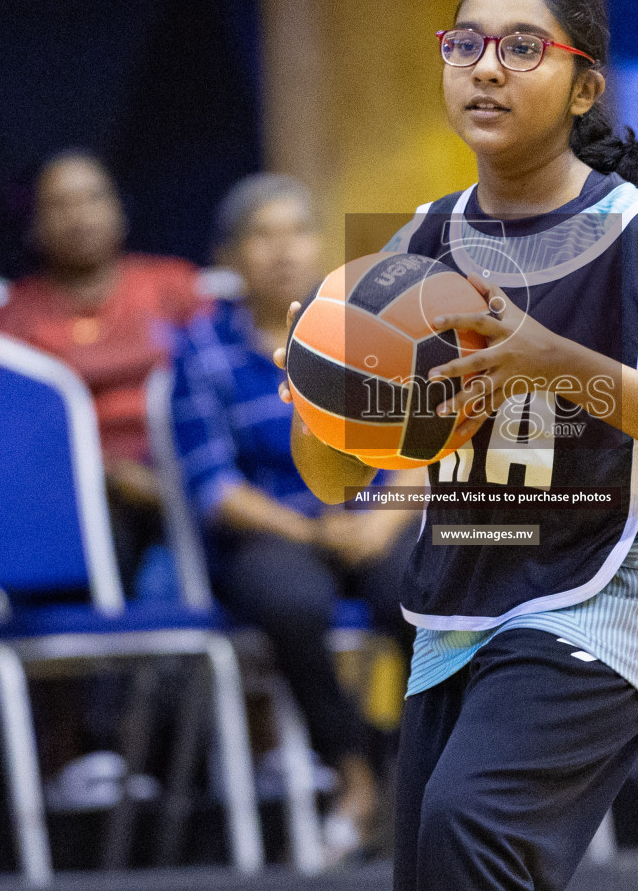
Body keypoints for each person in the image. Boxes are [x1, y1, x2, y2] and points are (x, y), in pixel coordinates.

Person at [275, 0, 638, 891]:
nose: (486, 67)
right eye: (465, 44)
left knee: (473, 828)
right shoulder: (414, 240)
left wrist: (568, 367)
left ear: (585, 85)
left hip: (616, 575)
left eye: (520, 46)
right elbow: (335, 478)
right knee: (432, 868)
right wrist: (315, 397)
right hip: (468, 577)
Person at [171, 172, 417, 862]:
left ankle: (416, 767)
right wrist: (313, 533)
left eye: (297, 232)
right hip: (272, 532)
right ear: (229, 258)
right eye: (262, 235)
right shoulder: (201, 350)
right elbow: (216, 488)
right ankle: (356, 771)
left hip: (369, 520)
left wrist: (379, 523)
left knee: (424, 587)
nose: (282, 250)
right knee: (294, 602)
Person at [0, 149, 206, 586]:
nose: (79, 216)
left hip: (187, 473)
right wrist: (106, 474)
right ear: (35, 224)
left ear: (119, 209)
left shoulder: (172, 286)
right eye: (60, 205)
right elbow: (3, 430)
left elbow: (222, 381)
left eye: (93, 198)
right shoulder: (13, 315)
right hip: (74, 492)